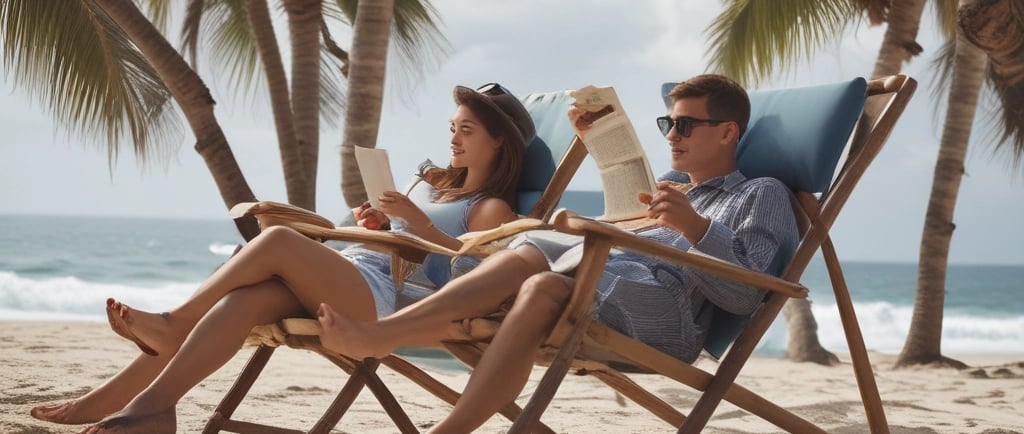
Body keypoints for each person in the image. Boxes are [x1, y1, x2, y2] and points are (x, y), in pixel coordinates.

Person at [29, 82, 537, 433]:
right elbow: (404, 243)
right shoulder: (434, 189)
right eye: (453, 127)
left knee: (278, 242)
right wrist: (382, 226)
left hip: (390, 305)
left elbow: (471, 278)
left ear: (500, 143)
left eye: (467, 130)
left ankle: (172, 324)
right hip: (357, 274)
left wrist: (417, 225)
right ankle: (149, 408)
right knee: (242, 303)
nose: (453, 138)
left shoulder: (489, 206)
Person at [315, 74, 800, 433]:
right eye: (668, 123)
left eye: (686, 125)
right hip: (611, 282)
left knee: (534, 255)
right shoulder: (672, 187)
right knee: (540, 277)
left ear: (728, 132)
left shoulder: (761, 193)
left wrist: (697, 228)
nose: (671, 135)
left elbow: (746, 294)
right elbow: (621, 226)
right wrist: (599, 141)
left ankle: (383, 338)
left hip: (668, 318)